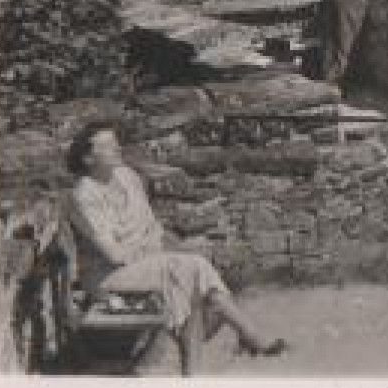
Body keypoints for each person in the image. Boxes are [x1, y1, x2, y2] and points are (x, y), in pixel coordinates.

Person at [66, 122, 287, 375]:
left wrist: (149, 246)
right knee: (189, 269)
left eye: (115, 141)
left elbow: (152, 226)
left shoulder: (126, 176)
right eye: (106, 145)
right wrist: (148, 247)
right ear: (87, 158)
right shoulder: (83, 195)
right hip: (108, 277)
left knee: (187, 273)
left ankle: (215, 356)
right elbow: (113, 254)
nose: (116, 147)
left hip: (143, 262)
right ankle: (247, 339)